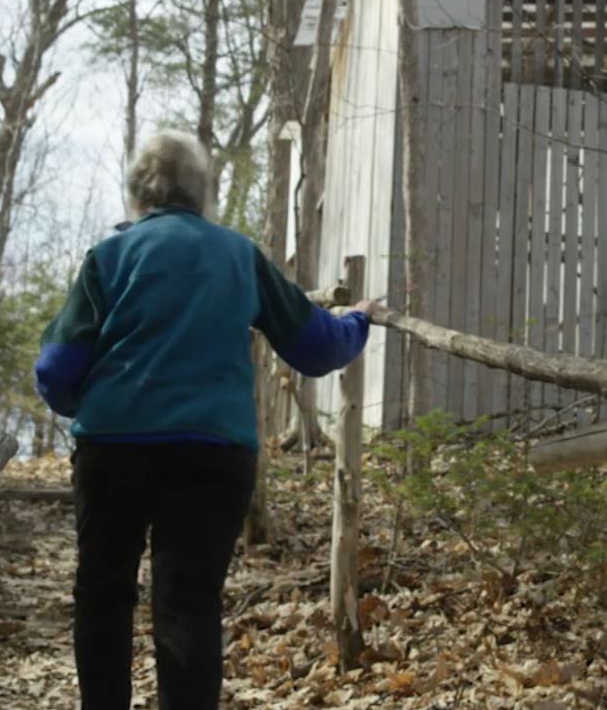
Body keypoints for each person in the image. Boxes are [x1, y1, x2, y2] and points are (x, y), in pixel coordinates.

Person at [34, 129, 376, 710]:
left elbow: (55, 371)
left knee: (102, 596)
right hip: (212, 453)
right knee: (187, 604)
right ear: (202, 195)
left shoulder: (109, 257)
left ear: (136, 193)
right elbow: (316, 349)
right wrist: (359, 321)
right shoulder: (237, 255)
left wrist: (89, 407)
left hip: (113, 450)